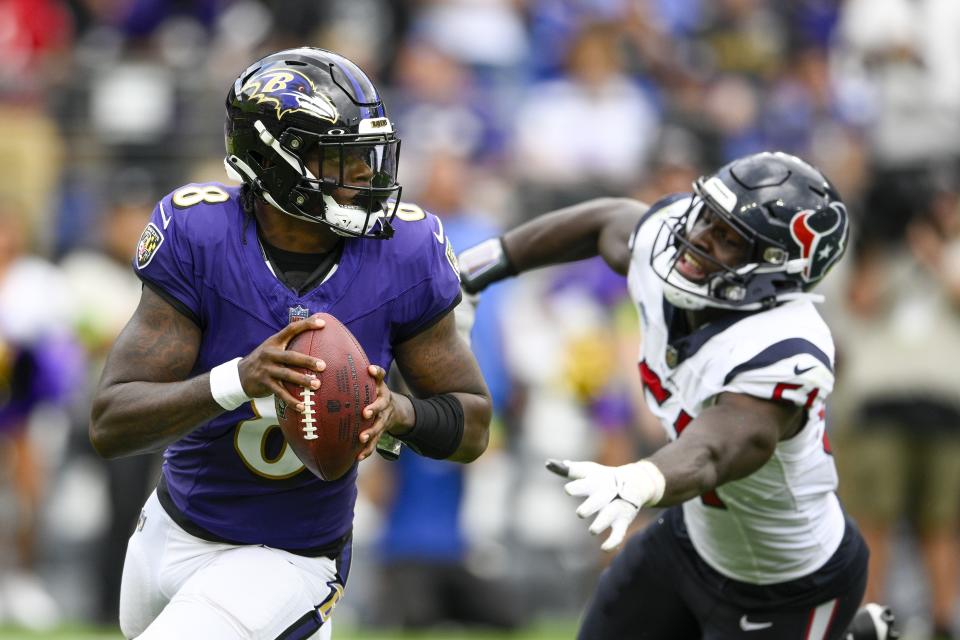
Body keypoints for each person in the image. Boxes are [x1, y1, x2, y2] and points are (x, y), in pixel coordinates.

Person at [89, 47, 491, 640]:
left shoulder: (405, 250)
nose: (366, 177)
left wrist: (395, 414)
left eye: (368, 157)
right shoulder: (200, 235)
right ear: (273, 163)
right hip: (171, 531)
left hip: (292, 555)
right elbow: (110, 421)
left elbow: (474, 423)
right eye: (341, 159)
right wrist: (237, 381)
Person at [459, 151, 897, 640]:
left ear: (776, 268)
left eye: (729, 238)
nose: (698, 238)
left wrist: (642, 479)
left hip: (790, 584)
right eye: (707, 215)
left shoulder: (785, 344)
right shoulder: (672, 247)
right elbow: (608, 221)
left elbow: (721, 445)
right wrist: (474, 270)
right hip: (693, 543)